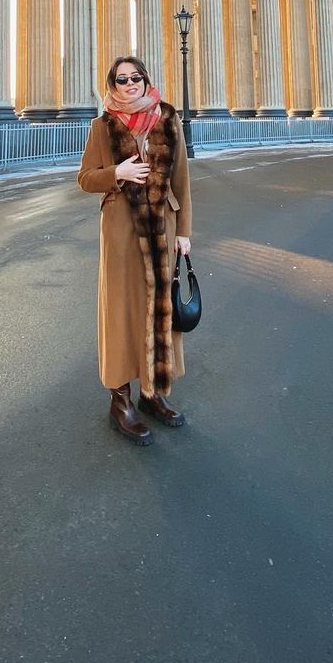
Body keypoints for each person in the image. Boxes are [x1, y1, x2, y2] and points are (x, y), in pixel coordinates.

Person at [77, 56, 193, 446]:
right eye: (121, 79)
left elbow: (182, 181)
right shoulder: (102, 126)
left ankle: (152, 392)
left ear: (146, 80)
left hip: (163, 230)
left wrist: (185, 232)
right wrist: (117, 173)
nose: (130, 84)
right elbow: (85, 178)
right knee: (121, 312)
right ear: (112, 85)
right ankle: (121, 400)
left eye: (136, 77)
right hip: (121, 235)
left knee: (158, 309)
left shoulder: (168, 119)